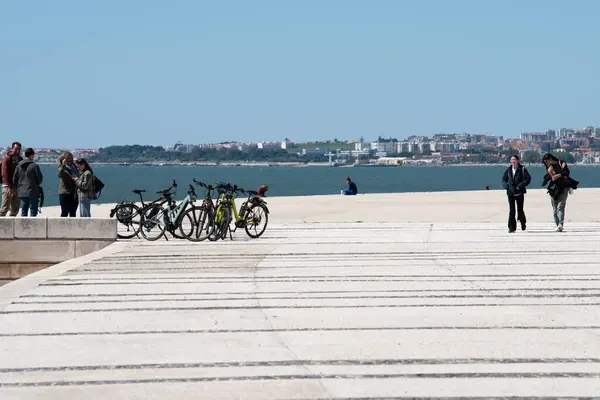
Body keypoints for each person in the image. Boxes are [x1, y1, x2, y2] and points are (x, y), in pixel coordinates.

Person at [542, 153, 576, 232]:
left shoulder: (561, 162)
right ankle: (558, 225)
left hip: (563, 188)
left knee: (560, 207)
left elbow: (566, 172)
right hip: (553, 189)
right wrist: (550, 173)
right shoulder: (549, 168)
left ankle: (560, 225)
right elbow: (551, 178)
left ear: (550, 159)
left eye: (547, 162)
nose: (546, 164)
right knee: (554, 209)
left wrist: (558, 175)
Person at [501, 155, 531, 233]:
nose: (512, 161)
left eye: (514, 159)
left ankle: (523, 222)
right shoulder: (508, 170)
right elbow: (504, 179)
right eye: (511, 160)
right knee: (512, 210)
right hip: (510, 192)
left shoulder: (522, 169)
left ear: (518, 161)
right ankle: (511, 227)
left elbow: (528, 179)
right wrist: (506, 186)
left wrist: (520, 186)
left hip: (519, 192)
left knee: (520, 209)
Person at [12, 148, 43, 217]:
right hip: (33, 191)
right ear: (32, 155)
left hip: (22, 191)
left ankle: (23, 227)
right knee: (33, 211)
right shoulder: (34, 166)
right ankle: (32, 227)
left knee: (24, 210)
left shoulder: (18, 166)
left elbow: (14, 179)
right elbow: (39, 179)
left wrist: (19, 186)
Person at [0, 142, 23, 217]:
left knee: (15, 209)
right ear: (12, 148)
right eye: (16, 149)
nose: (18, 151)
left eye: (19, 149)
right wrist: (9, 187)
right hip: (7, 186)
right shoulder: (7, 159)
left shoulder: (20, 159)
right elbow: (4, 173)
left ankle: (11, 227)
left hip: (17, 186)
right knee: (4, 209)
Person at [57, 152, 79, 217]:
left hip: (74, 193)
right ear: (64, 159)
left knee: (73, 213)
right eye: (68, 159)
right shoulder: (61, 167)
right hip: (64, 193)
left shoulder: (74, 167)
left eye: (71, 159)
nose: (69, 160)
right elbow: (59, 174)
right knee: (64, 212)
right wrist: (63, 165)